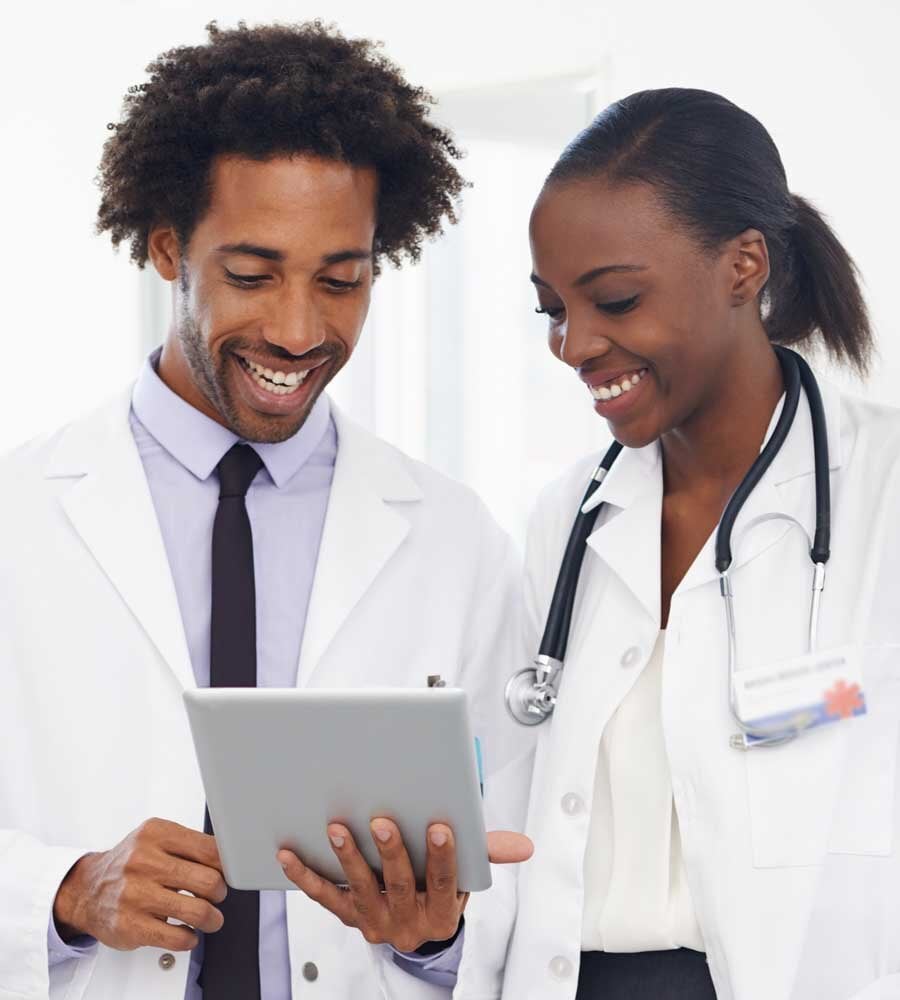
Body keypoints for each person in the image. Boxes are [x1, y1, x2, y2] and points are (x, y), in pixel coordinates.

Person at [0, 21, 530, 1000]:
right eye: (251, 274)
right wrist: (61, 890)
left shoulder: (457, 543)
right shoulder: (19, 517)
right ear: (167, 247)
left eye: (343, 280)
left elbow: (521, 866)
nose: (298, 329)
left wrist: (435, 935)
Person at [453, 88, 900, 1000]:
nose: (574, 346)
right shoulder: (568, 517)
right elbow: (517, 818)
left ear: (742, 267)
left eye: (614, 299)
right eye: (552, 310)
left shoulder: (882, 493)